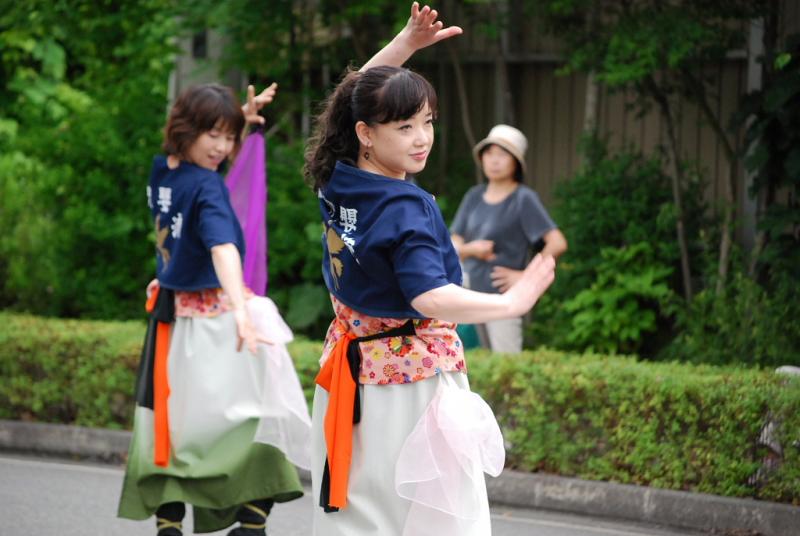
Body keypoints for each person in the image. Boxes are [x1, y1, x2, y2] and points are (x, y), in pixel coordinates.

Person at [303, 3, 556, 535]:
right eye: (405, 126)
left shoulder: (338, 179)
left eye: (427, 123)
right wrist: (508, 303)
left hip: (349, 375)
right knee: (432, 520)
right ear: (367, 134)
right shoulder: (406, 206)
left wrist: (405, 44)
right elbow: (429, 297)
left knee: (363, 515)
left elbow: (353, 101)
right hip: (409, 389)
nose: (422, 138)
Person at [118, 83, 311, 536]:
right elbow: (223, 248)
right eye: (215, 135)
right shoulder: (206, 185)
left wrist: (237, 116)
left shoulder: (162, 171)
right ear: (188, 129)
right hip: (217, 325)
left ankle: (170, 524)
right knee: (265, 416)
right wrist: (242, 312)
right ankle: (251, 522)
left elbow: (182, 229)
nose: (224, 148)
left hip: (173, 326)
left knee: (175, 426)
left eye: (229, 137)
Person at [451, 124, 567, 353]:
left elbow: (558, 242)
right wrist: (470, 250)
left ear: (516, 162)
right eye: (489, 153)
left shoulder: (523, 198)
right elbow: (453, 241)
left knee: (506, 366)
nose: (494, 160)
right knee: (471, 364)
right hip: (468, 292)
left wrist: (525, 277)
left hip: (505, 298)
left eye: (502, 154)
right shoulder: (474, 196)